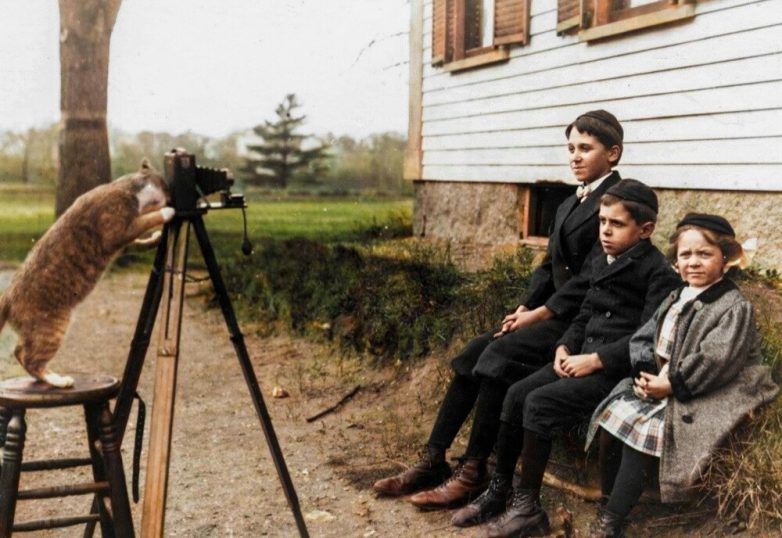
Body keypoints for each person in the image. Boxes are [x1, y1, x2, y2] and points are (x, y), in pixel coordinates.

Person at [372, 111, 625, 508]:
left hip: (581, 322)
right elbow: (548, 267)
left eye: (586, 149)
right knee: (472, 353)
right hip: (548, 314)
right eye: (571, 148)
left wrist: (540, 314)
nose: (575, 157)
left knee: (498, 356)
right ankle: (433, 459)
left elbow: (592, 277)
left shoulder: (617, 203)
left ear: (612, 153)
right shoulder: (568, 203)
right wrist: (525, 305)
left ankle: (473, 472)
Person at [452, 179, 681, 535]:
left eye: (617, 224)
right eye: (602, 221)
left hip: (614, 373)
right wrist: (564, 347)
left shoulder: (658, 274)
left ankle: (528, 509)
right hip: (579, 358)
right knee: (516, 394)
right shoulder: (603, 258)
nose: (605, 231)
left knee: (539, 403)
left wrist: (596, 360)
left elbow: (647, 340)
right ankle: (500, 491)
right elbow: (585, 313)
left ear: (646, 229)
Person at [583, 213, 778, 538]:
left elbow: (716, 360)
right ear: (676, 261)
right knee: (614, 417)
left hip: (713, 386)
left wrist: (672, 383)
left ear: (725, 258)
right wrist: (646, 372)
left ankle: (612, 521)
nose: (694, 262)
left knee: (644, 435)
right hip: (666, 379)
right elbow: (645, 337)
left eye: (705, 254)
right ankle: (609, 500)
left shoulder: (732, 306)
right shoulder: (677, 296)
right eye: (686, 255)